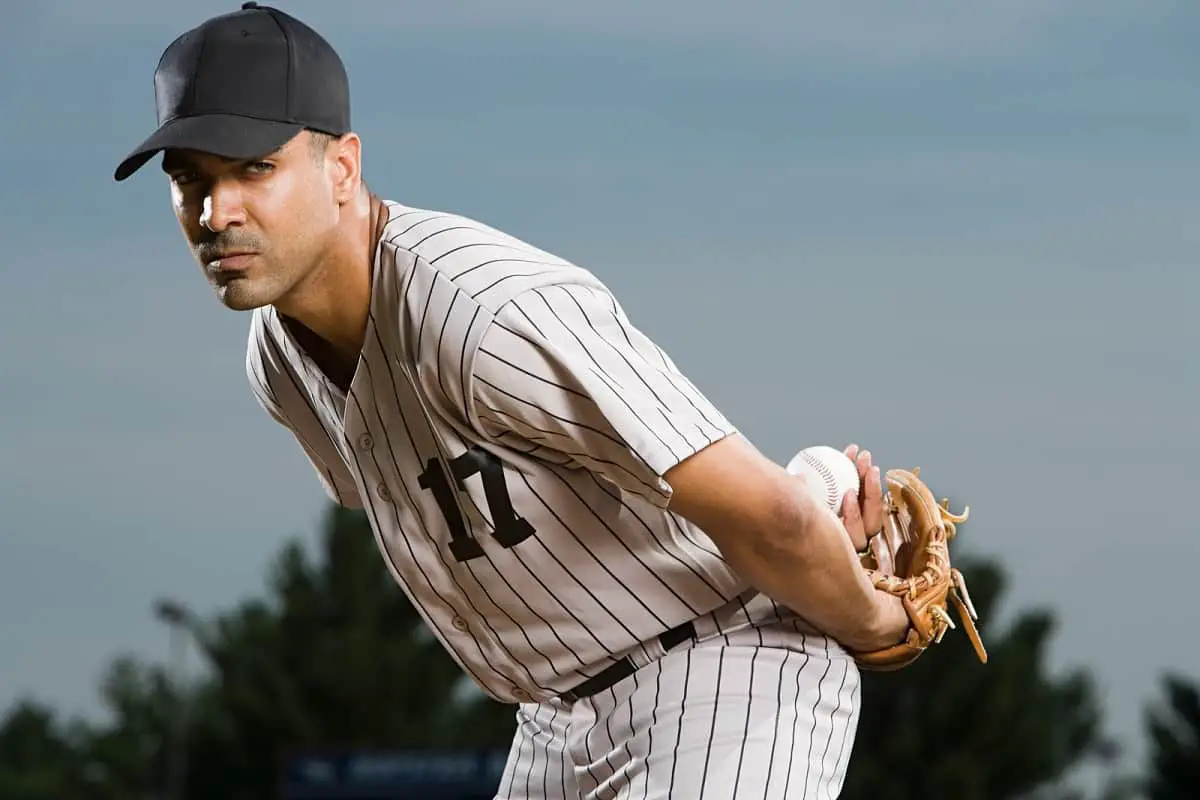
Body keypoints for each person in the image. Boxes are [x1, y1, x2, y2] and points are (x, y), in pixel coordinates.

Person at [114, 4, 908, 797]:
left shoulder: (483, 313)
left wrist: (880, 624)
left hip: (721, 672)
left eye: (254, 168)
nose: (217, 214)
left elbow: (772, 518)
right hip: (551, 723)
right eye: (191, 180)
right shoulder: (278, 361)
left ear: (342, 169)